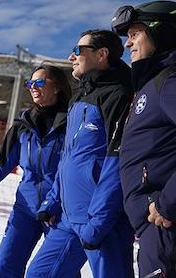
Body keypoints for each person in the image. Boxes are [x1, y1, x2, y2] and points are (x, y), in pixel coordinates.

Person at [26, 30, 135, 277]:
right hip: (68, 217)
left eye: (77, 50)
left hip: (103, 221)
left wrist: (98, 223)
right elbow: (68, 159)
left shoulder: (118, 95)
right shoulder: (79, 97)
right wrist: (53, 200)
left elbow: (117, 162)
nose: (70, 56)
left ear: (102, 54)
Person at [0, 64, 72, 277]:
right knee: (5, 266)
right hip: (25, 208)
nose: (33, 87)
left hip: (59, 211)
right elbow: (1, 163)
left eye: (40, 82)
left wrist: (56, 204)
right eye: (30, 83)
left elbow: (72, 170)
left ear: (57, 87)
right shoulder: (23, 124)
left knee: (59, 272)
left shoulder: (72, 122)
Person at [111, 0, 176, 277]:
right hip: (154, 226)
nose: (128, 44)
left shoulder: (168, 81)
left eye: (134, 34)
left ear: (160, 31)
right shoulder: (151, 84)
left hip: (165, 224)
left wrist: (168, 203)